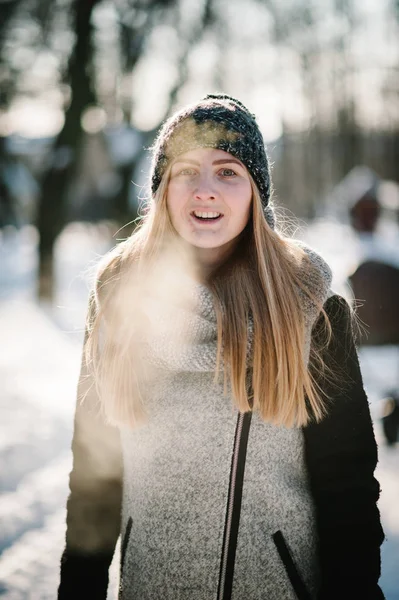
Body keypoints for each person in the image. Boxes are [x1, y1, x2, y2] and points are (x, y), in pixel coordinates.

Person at [58, 94, 385, 600]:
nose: (204, 190)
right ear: (162, 190)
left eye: (228, 172)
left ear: (257, 192)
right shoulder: (117, 305)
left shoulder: (312, 313)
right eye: (186, 171)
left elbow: (348, 493)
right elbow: (93, 486)